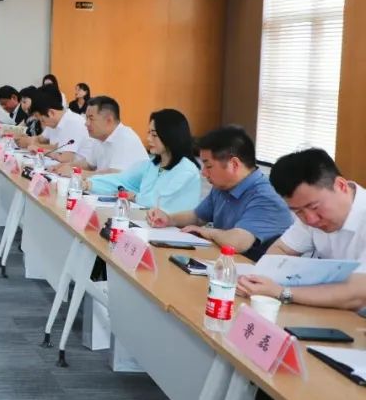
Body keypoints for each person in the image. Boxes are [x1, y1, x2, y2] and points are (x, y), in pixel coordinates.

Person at [237, 148, 366, 310]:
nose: (310, 219)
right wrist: (258, 281)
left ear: (340, 186)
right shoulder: (309, 213)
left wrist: (282, 292)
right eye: (298, 212)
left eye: (315, 207)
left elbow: (358, 295)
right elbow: (281, 249)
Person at [147, 126, 293, 261]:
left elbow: (238, 242)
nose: (203, 173)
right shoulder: (223, 185)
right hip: (224, 262)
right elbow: (198, 217)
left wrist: (208, 232)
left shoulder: (266, 196)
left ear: (234, 164)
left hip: (254, 272)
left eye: (208, 166)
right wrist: (169, 219)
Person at [85, 109, 201, 213]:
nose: (149, 139)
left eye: (154, 135)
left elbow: (160, 201)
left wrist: (135, 197)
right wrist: (89, 183)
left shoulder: (187, 170)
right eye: (149, 133)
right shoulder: (152, 165)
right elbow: (121, 180)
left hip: (174, 229)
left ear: (170, 136)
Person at [55, 96, 147, 174]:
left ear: (109, 120)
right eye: (86, 118)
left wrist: (75, 172)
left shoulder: (125, 138)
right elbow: (89, 164)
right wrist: (66, 166)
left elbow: (113, 176)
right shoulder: (99, 137)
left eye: (91, 119)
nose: (86, 123)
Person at [20, 88, 88, 159]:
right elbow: (41, 139)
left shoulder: (73, 122)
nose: (43, 124)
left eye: (42, 120)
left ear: (51, 113)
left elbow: (65, 158)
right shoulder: (53, 121)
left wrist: (39, 148)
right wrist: (27, 140)